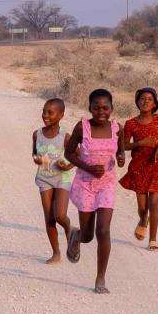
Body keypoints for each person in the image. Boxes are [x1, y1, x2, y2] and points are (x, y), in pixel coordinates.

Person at [64, 89, 121, 294]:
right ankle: (77, 236)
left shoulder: (117, 128)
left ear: (111, 108)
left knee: (103, 231)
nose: (101, 111)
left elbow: (120, 150)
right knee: (89, 235)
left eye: (105, 107)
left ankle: (100, 278)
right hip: (85, 184)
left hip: (106, 184)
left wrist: (121, 157)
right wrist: (88, 168)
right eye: (96, 107)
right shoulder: (82, 127)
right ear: (89, 108)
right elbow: (68, 153)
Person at [120, 88, 158, 251]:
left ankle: (153, 240)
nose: (146, 101)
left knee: (154, 204)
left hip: (156, 166)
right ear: (137, 102)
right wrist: (140, 143)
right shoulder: (131, 124)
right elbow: (124, 145)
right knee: (143, 208)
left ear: (155, 103)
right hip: (138, 167)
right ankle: (143, 220)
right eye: (142, 98)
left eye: (149, 99)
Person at [31, 98, 77, 263]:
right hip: (44, 179)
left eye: (51, 112)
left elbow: (77, 156)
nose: (46, 115)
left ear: (61, 115)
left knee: (60, 215)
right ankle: (56, 253)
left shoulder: (65, 137)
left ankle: (70, 230)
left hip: (62, 179)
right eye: (44, 111)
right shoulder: (37, 134)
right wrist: (38, 159)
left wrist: (68, 166)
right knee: (49, 217)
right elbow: (34, 155)